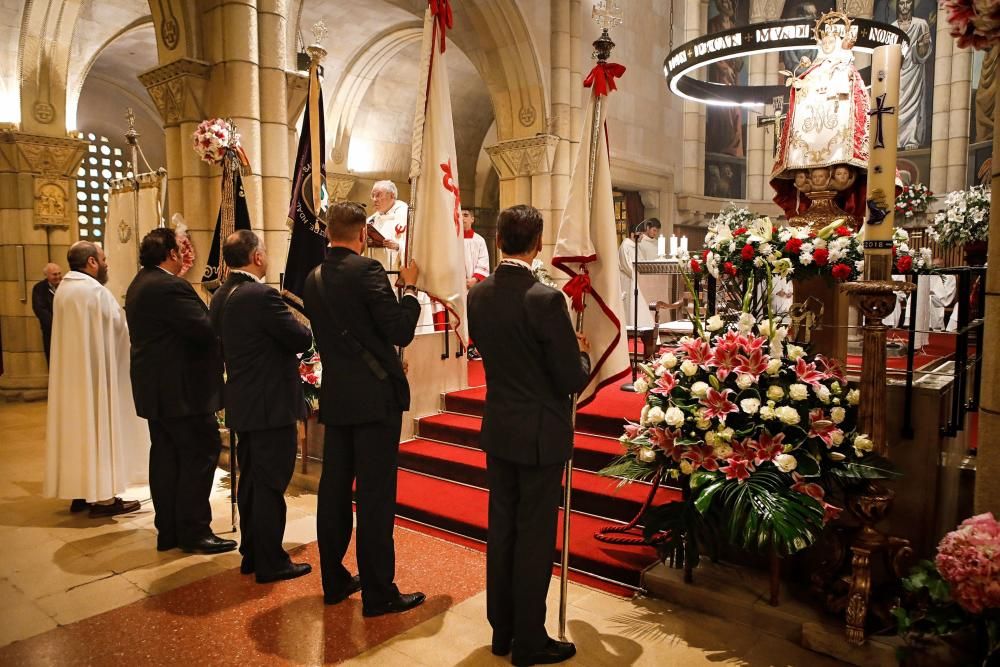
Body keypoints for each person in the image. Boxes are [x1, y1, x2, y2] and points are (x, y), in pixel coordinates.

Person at [467, 204, 591, 666]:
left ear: (498, 240)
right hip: (539, 435)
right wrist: (581, 353)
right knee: (534, 537)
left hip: (499, 427)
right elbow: (569, 379)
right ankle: (529, 640)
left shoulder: (478, 295)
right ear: (537, 244)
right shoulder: (544, 299)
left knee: (502, 531)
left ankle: (502, 631)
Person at [303, 202, 424, 615]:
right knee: (374, 497)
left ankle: (334, 580)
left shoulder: (313, 277)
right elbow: (399, 330)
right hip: (374, 401)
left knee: (334, 492)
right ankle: (378, 592)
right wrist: (409, 289)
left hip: (337, 397)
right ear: (361, 236)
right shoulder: (368, 271)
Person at [209, 230, 313, 583]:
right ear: (256, 257)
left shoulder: (221, 294)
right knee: (270, 484)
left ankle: (252, 552)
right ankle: (271, 561)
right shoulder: (260, 295)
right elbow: (301, 337)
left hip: (244, 400)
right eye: (265, 251)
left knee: (253, 480)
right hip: (272, 405)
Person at [125, 228, 236, 555]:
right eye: (181, 249)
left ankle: (170, 530)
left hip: (159, 391)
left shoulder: (141, 282)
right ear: (171, 254)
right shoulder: (169, 286)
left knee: (166, 459)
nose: (185, 255)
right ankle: (194, 532)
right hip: (183, 393)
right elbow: (205, 330)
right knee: (198, 456)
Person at [44, 242, 146, 517]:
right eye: (103, 258)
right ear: (91, 262)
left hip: (73, 378)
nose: (106, 263)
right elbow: (118, 329)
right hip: (95, 377)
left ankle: (80, 491)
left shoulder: (64, 290)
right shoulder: (94, 292)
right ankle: (103, 499)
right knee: (98, 426)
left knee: (78, 429)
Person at [770, 12, 869, 222]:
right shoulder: (809, 73)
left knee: (839, 163)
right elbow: (799, 99)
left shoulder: (847, 70)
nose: (827, 44)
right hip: (810, 130)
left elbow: (856, 102)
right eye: (823, 40)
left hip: (837, 128)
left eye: (831, 40)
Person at [893, 0, 933, 150]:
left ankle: (911, 138)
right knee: (897, 105)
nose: (904, 6)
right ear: (897, 5)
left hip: (914, 71)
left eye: (908, 2)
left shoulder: (921, 24)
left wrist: (922, 45)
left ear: (912, 5)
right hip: (898, 72)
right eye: (901, 3)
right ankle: (896, 140)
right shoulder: (892, 27)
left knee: (915, 105)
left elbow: (924, 53)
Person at [462, 209, 490, 359]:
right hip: (457, 286)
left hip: (472, 286)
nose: (462, 218)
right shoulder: (451, 239)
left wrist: (474, 279)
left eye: (466, 215)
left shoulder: (479, 240)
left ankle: (472, 347)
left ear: (472, 219)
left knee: (473, 317)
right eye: (459, 215)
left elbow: (483, 260)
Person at [617, 222, 655, 331]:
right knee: (630, 303)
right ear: (633, 234)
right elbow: (625, 264)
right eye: (640, 234)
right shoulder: (625, 245)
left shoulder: (637, 246)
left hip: (636, 278)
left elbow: (641, 261)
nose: (642, 236)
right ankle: (629, 326)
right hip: (628, 279)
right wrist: (635, 275)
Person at [367, 180, 409, 270]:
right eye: (373, 195)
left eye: (378, 195)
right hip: (375, 269)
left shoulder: (406, 215)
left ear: (392, 195)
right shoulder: (372, 219)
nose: (374, 199)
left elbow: (416, 245)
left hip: (394, 270)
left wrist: (398, 246)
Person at [32, 263, 62, 363]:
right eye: (54, 274)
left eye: (59, 273)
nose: (58, 277)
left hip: (66, 329)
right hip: (50, 331)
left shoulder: (65, 286)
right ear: (47, 275)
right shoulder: (39, 288)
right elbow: (40, 310)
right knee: (52, 358)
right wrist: (56, 324)